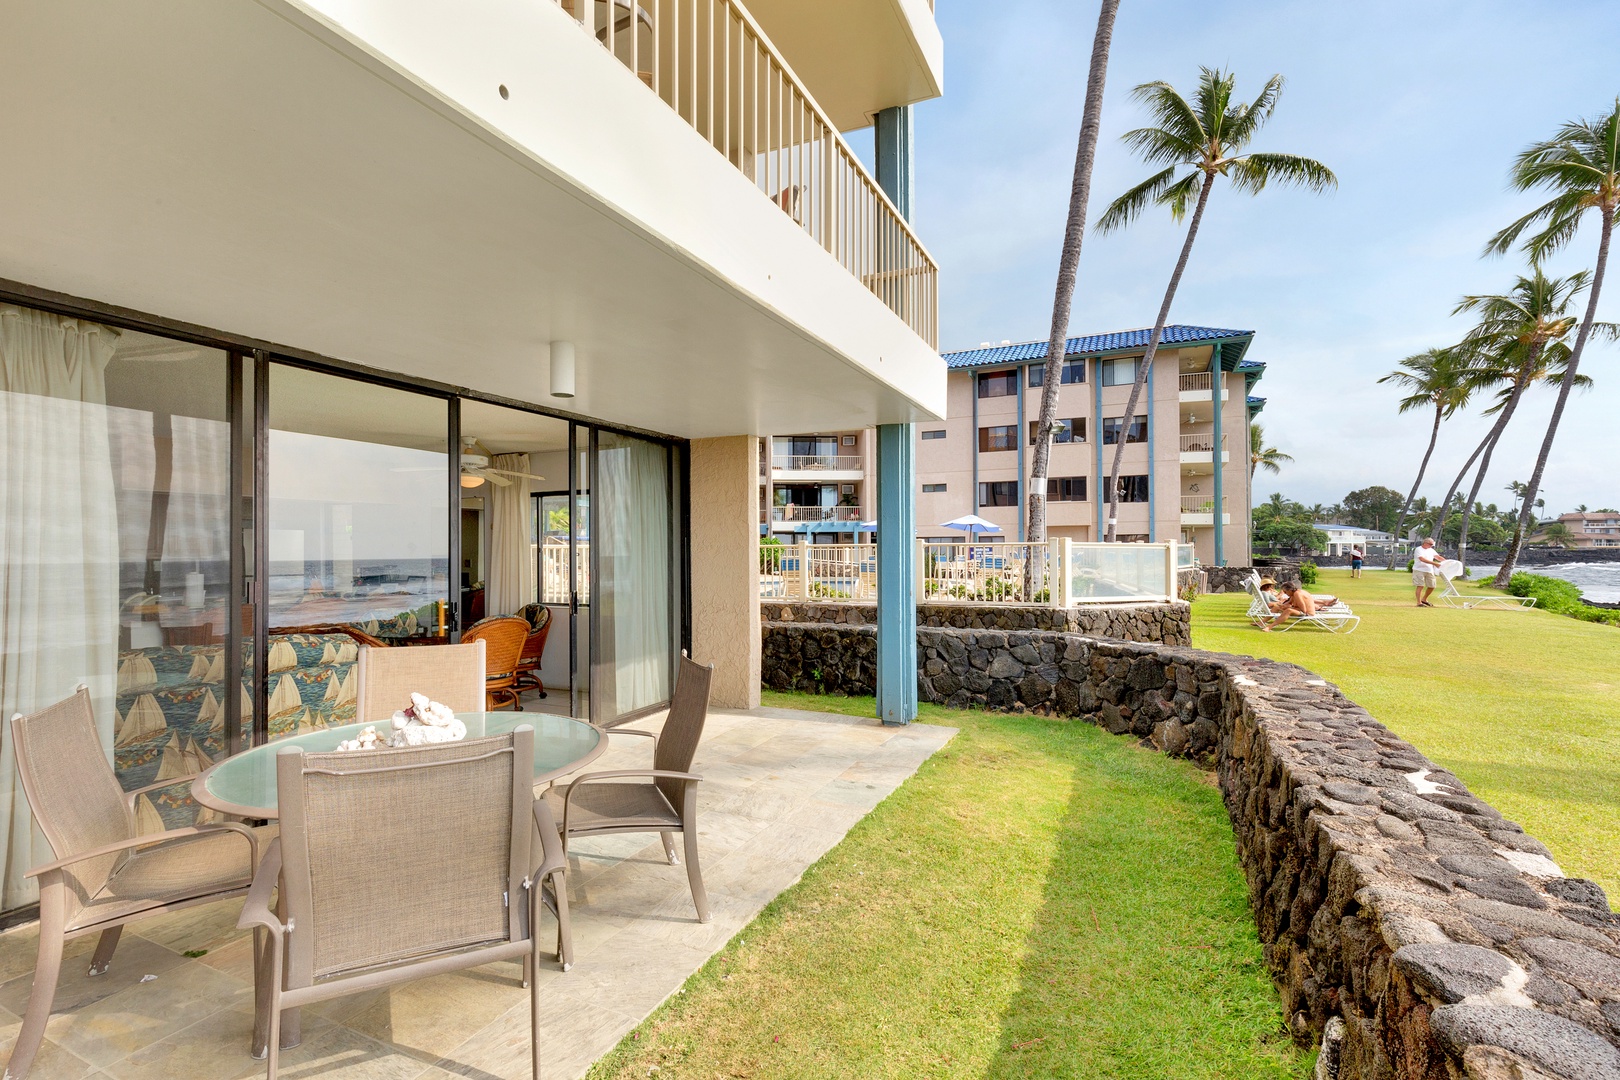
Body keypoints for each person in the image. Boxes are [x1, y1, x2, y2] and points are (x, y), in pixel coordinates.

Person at [1412, 537, 1444, 607]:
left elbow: (1438, 557)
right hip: (1419, 570)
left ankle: (1424, 599)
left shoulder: (1431, 550)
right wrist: (1434, 563)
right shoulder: (1418, 549)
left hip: (1429, 570)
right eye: (1430, 544)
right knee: (1420, 586)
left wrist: (1447, 562)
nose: (1431, 546)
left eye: (1432, 545)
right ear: (1425, 543)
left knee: (1432, 586)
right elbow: (1422, 559)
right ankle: (1419, 602)